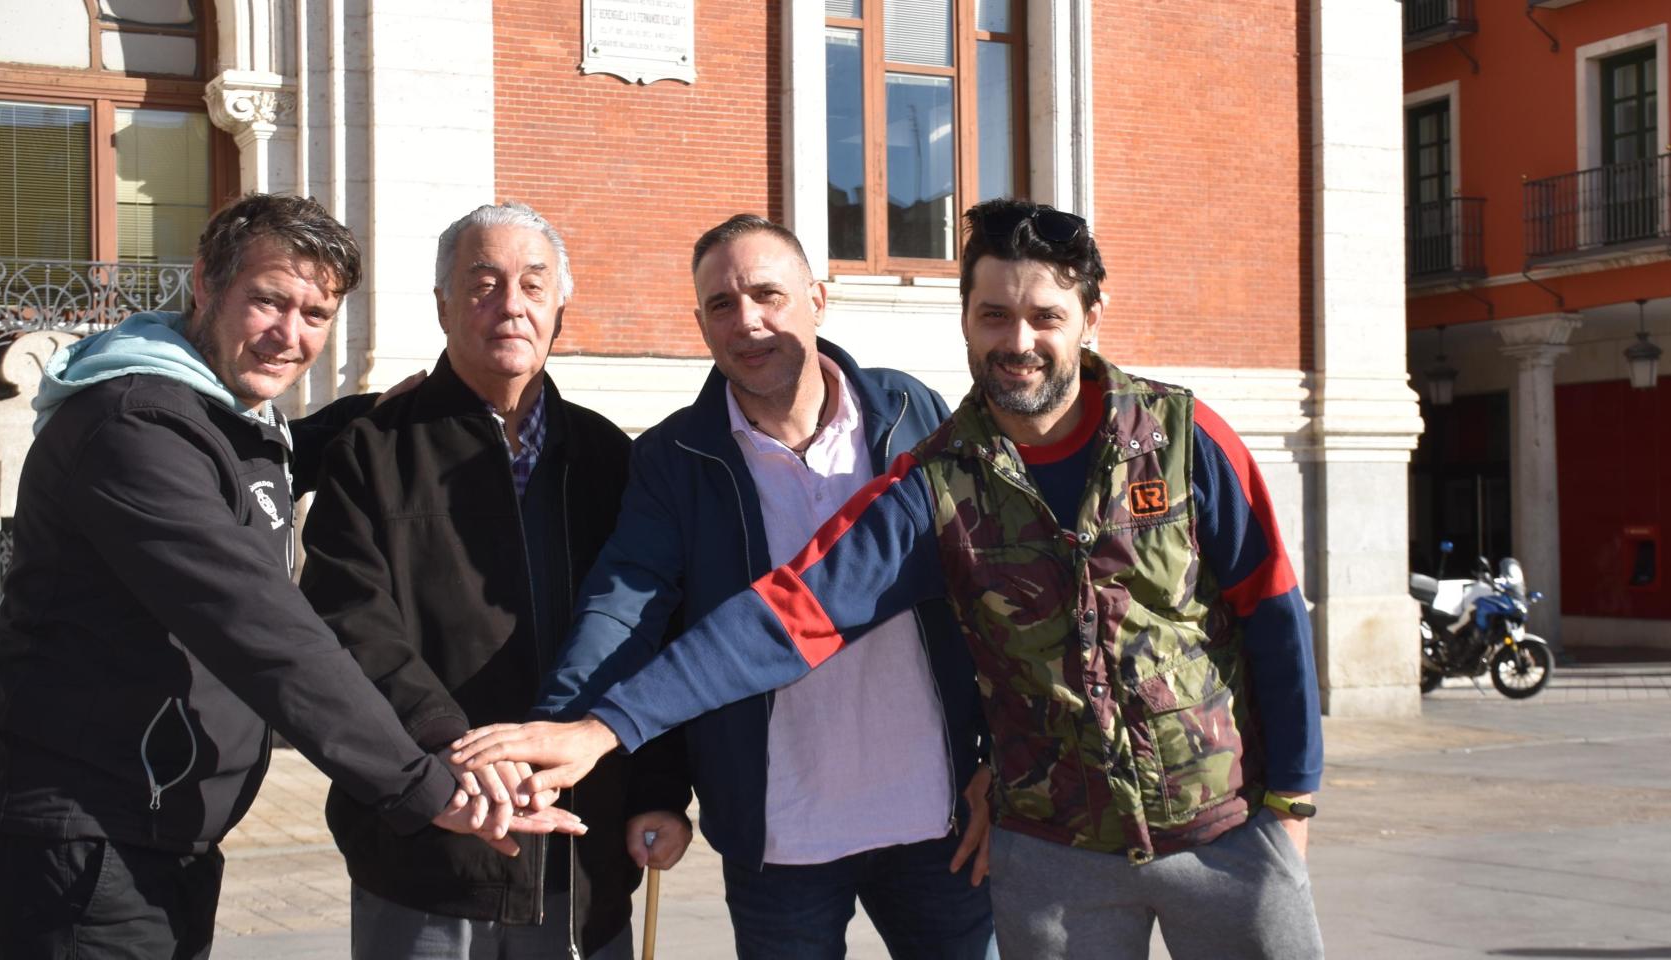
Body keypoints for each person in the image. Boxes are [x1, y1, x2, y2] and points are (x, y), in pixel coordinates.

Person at [455, 198, 1327, 959]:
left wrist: (1291, 798)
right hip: (1039, 849)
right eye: (992, 316)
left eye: (1043, 317)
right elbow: (780, 615)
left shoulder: (1177, 434)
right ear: (966, 322)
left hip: (1211, 827)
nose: (1017, 342)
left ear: (1089, 317)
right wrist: (597, 729)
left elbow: (1272, 610)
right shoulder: (941, 477)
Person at [0, 193, 567, 959]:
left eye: (316, 314)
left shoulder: (217, 412)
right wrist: (419, 784)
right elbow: (263, 629)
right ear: (206, 287)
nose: (290, 335)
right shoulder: (130, 426)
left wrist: (362, 423)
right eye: (269, 301)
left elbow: (252, 466)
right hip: (85, 834)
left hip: (157, 823)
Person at [535, 214, 995, 959]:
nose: (747, 321)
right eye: (722, 305)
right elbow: (625, 609)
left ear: (818, 297)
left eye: (767, 295)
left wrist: (994, 765)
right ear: (700, 324)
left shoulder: (915, 415)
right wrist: (561, 729)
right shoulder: (672, 457)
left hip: (937, 822)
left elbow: (993, 595)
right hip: (779, 838)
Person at [298, 202, 693, 960]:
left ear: (559, 307)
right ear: (443, 306)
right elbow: (353, 626)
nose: (510, 305)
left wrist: (658, 794)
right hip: (425, 849)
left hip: (585, 854)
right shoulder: (374, 452)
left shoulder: (609, 459)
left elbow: (654, 630)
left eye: (532, 285)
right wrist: (463, 754)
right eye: (482, 284)